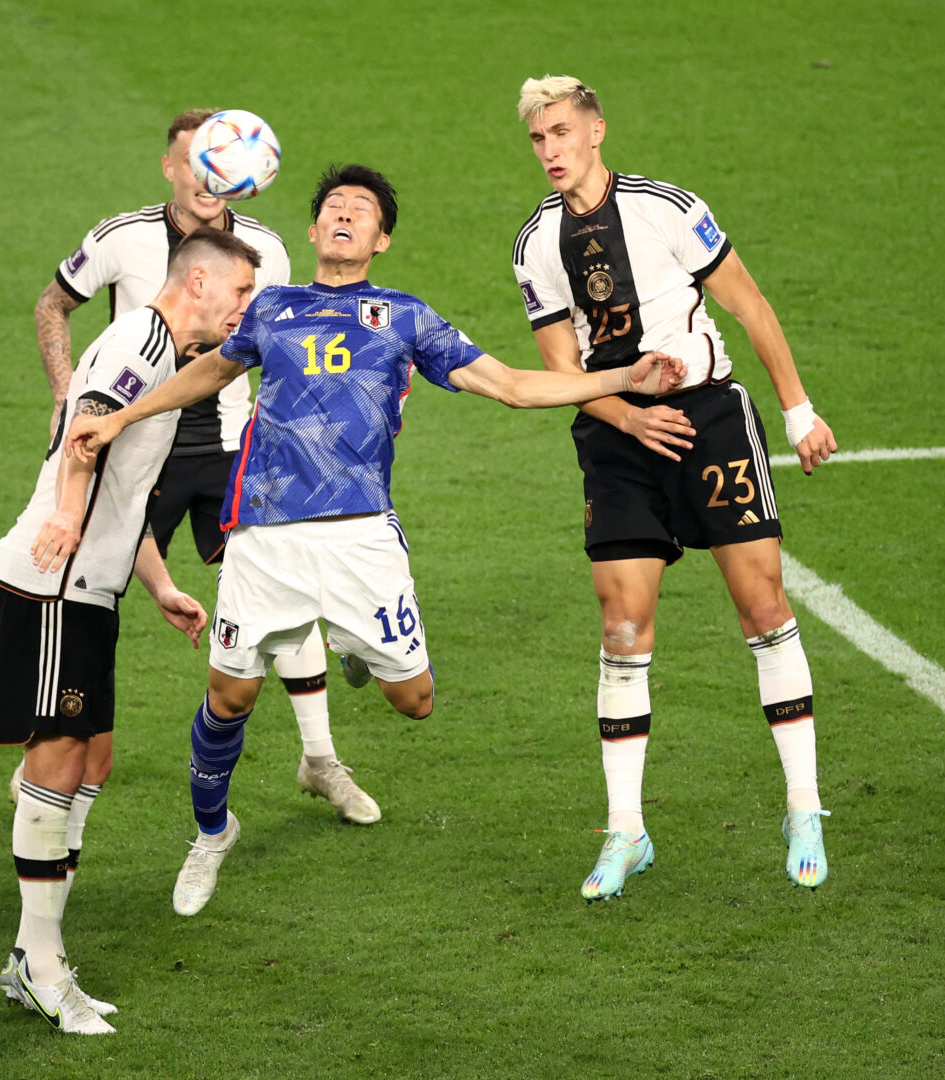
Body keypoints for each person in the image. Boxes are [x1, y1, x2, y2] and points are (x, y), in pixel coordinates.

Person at [65, 163, 686, 917]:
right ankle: (211, 833)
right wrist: (121, 417)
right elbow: (205, 376)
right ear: (312, 230)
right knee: (227, 698)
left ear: (380, 239)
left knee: (415, 702)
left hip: (361, 538)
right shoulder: (271, 308)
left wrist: (623, 379)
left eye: (360, 210)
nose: (344, 215)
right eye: (333, 206)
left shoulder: (405, 318)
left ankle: (354, 646)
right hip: (265, 534)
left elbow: (513, 386)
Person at [510, 75, 840, 901]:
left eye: (560, 132)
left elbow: (750, 306)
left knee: (762, 605)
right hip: (616, 434)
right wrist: (628, 418)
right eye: (537, 138)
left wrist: (798, 412)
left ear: (595, 131)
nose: (549, 150)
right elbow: (560, 372)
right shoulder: (535, 242)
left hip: (708, 420)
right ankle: (626, 831)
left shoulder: (666, 208)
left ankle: (802, 806)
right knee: (621, 626)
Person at [23, 109, 380, 826]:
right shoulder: (122, 237)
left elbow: (281, 346)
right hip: (136, 450)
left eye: (223, 163)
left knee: (281, 593)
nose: (210, 177)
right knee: (84, 590)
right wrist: (67, 394)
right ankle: (49, 743)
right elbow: (52, 305)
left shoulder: (265, 251)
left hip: (228, 447)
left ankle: (319, 760)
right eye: (197, 162)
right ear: (172, 168)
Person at [0, 229, 259, 1033]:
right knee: (59, 758)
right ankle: (40, 965)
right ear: (198, 281)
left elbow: (125, 488)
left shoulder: (166, 357)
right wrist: (68, 518)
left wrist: (160, 583)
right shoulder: (139, 339)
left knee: (93, 759)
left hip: (90, 588)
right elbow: (87, 430)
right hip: (52, 582)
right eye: (240, 292)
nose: (245, 307)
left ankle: (32, 957)